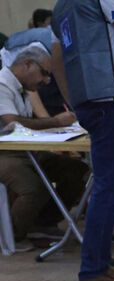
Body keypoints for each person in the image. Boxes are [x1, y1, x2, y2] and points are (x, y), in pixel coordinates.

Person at [51, 0, 114, 281]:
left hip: (95, 101)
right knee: (110, 185)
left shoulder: (61, 8)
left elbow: (56, 57)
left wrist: (76, 101)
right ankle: (94, 268)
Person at [0, 45, 87, 251]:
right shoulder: (2, 84)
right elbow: (14, 124)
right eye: (44, 73)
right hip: (5, 152)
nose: (46, 81)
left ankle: (42, 223)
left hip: (25, 149)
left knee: (76, 171)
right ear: (27, 64)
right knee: (33, 188)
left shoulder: (25, 88)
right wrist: (56, 122)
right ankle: (11, 235)